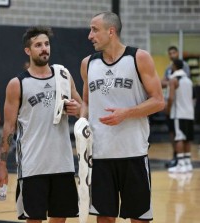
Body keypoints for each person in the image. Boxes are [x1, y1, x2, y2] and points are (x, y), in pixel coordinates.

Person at [79, 12, 164, 223]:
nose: (90, 35)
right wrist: (81, 122)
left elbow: (158, 101)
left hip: (133, 152)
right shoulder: (87, 63)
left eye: (94, 29)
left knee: (139, 218)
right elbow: (87, 102)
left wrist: (127, 113)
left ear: (111, 31)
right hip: (100, 155)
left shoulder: (139, 57)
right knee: (104, 218)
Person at [0, 26, 81, 223]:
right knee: (34, 219)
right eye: (38, 45)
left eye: (46, 44)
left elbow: (83, 109)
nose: (44, 49)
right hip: (33, 166)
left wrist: (77, 109)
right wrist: (1, 164)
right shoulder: (18, 84)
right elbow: (9, 127)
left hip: (62, 164)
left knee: (60, 219)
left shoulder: (63, 76)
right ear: (28, 50)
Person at [161, 46, 191, 168]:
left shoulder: (184, 67)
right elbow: (161, 82)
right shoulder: (169, 68)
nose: (172, 55)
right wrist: (170, 83)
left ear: (178, 53)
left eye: (174, 52)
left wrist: (170, 83)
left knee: (180, 136)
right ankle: (182, 159)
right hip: (183, 109)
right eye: (170, 53)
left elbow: (177, 83)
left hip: (178, 107)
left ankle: (180, 161)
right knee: (176, 134)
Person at [166, 59, 194, 173]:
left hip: (179, 114)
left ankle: (180, 163)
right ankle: (187, 163)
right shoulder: (189, 80)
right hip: (189, 113)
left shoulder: (173, 80)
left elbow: (171, 97)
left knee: (179, 138)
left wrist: (168, 109)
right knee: (187, 139)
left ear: (174, 66)